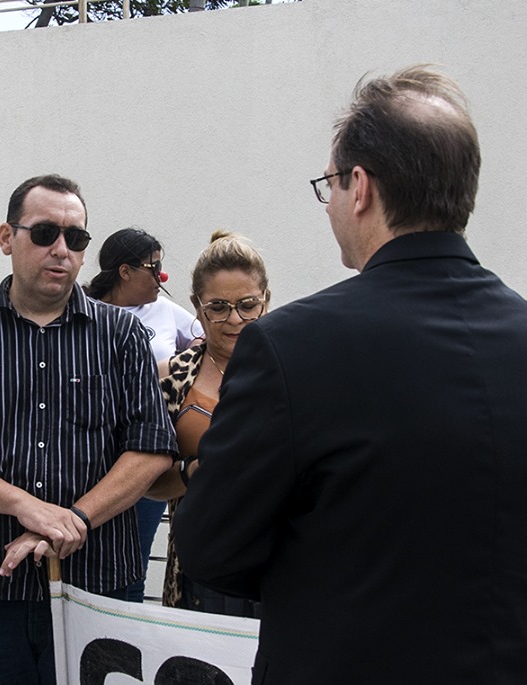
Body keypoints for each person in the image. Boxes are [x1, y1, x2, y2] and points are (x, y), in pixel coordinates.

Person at [174, 66, 527, 684]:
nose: (330, 202)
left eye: (329, 185)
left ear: (359, 187)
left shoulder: (289, 346)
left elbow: (212, 547)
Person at [0, 174, 177, 684]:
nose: (61, 249)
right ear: (7, 237)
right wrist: (24, 506)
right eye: (45, 233)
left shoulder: (122, 336)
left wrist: (75, 518)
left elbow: (152, 448)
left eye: (76, 238)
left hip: (96, 585)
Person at [149, 230, 268, 617]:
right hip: (198, 572)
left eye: (247, 305)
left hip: (281, 569)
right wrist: (195, 470)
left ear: (266, 301)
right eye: (218, 307)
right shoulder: (171, 376)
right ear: (196, 308)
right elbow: (148, 482)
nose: (234, 319)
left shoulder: (296, 369)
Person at [83, 227, 202, 603]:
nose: (161, 277)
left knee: (131, 564)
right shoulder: (84, 311)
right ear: (125, 271)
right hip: (91, 457)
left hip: (146, 455)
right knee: (86, 557)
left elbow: (209, 347)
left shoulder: (165, 311)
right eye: (154, 267)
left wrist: (167, 371)